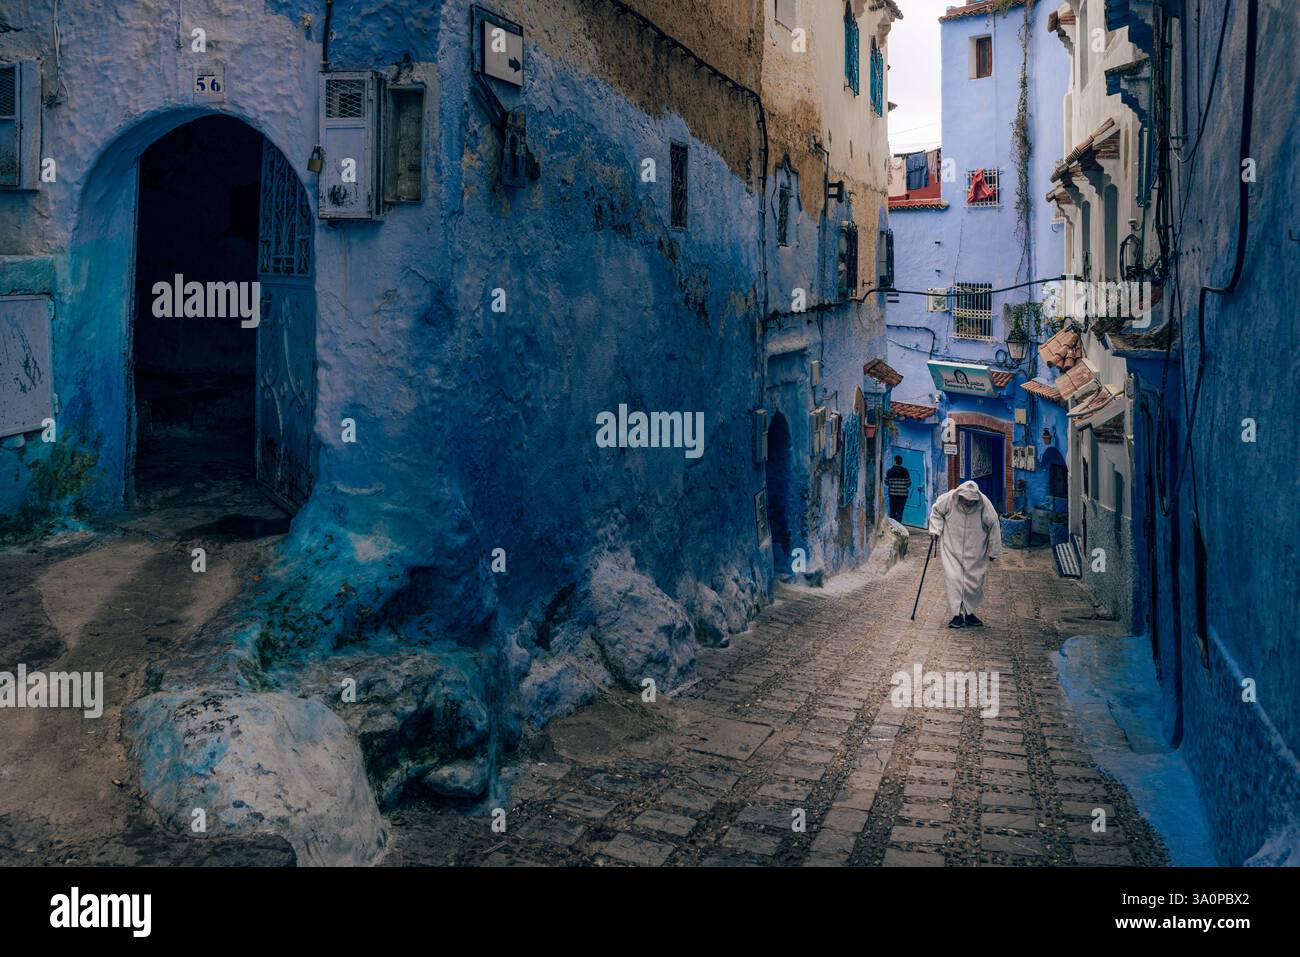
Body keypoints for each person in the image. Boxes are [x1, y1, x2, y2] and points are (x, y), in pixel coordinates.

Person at [927, 480, 1002, 628]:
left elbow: (994, 526)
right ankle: (956, 615)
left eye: (971, 501)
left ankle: (969, 614)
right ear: (959, 496)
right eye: (965, 500)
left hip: (975, 550)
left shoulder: (985, 505)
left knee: (973, 584)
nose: (968, 503)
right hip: (951, 547)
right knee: (954, 579)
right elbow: (936, 512)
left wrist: (994, 551)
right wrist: (935, 530)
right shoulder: (948, 499)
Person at [885, 455, 912, 523]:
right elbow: (909, 483)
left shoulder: (890, 471)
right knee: (900, 512)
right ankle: (899, 528)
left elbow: (886, 482)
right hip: (903, 496)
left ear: (894, 461)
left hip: (893, 496)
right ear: (901, 462)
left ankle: (892, 529)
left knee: (893, 512)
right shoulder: (905, 471)